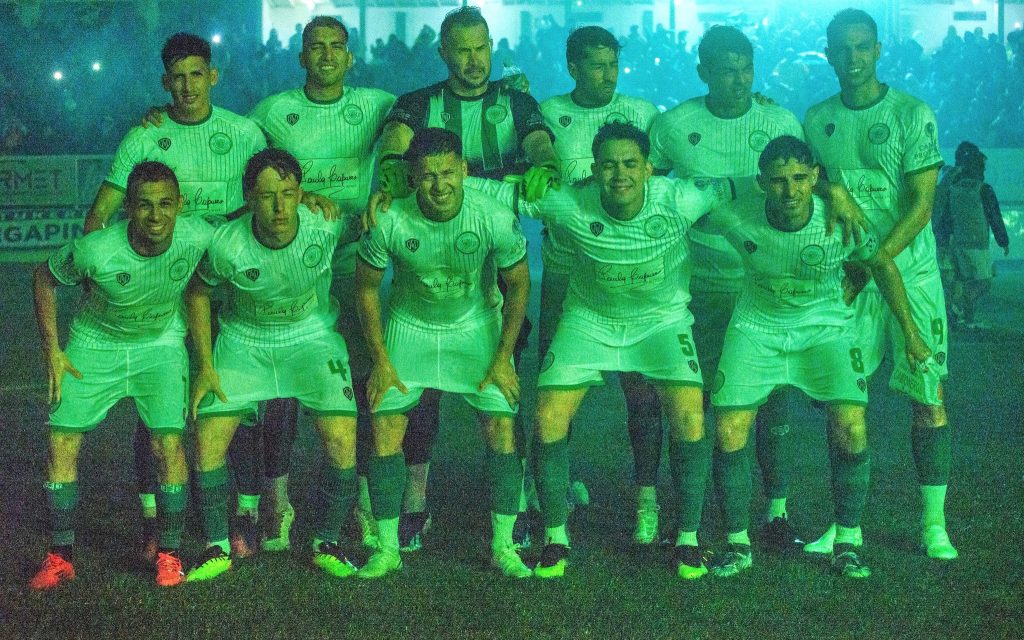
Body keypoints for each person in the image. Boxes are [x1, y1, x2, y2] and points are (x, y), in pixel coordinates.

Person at [469, 122, 744, 580]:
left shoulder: (681, 198)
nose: (620, 174)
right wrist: (424, 182)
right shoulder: (570, 201)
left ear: (649, 168)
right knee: (548, 418)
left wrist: (830, 192)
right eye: (609, 165)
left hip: (661, 324)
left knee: (691, 417)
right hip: (589, 321)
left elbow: (750, 184)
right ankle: (555, 539)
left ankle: (688, 539)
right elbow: (496, 192)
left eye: (631, 164)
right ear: (594, 170)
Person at [374, 6, 558, 551]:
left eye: (481, 48)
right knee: (421, 392)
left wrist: (545, 162)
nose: (474, 60)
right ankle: (415, 500)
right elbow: (395, 140)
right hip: (431, 256)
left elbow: (539, 141)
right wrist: (391, 167)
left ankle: (517, 496)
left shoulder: (515, 100)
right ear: (444, 53)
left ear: (491, 46)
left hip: (490, 258)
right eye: (462, 50)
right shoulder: (420, 102)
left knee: (505, 380)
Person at [708, 136, 931, 580]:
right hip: (756, 327)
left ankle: (847, 543)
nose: (789, 191)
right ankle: (737, 545)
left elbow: (882, 265)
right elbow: (673, 201)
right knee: (729, 428)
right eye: (778, 180)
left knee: (852, 426)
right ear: (761, 182)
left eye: (799, 178)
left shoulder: (841, 220)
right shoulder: (734, 213)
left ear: (814, 177)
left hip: (826, 326)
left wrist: (911, 333)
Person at [80, 32, 267, 559]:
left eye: (196, 74)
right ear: (165, 83)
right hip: (161, 299)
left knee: (234, 403)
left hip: (227, 295)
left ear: (213, 76)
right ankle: (153, 518)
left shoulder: (244, 133)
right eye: (177, 77)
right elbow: (100, 214)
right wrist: (97, 277)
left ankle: (244, 514)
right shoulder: (145, 136)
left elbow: (274, 192)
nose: (187, 86)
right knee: (156, 411)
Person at [803, 8, 957, 560]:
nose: (853, 57)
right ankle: (846, 524)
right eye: (842, 48)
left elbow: (922, 205)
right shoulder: (816, 119)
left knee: (928, 398)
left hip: (911, 278)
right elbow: (811, 186)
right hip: (849, 281)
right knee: (845, 402)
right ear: (828, 53)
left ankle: (934, 525)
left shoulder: (912, 113)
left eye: (862, 46)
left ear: (878, 50)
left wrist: (875, 262)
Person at [647, 25, 808, 551]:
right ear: (703, 72)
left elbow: (803, 191)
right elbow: (649, 192)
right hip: (696, 286)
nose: (739, 81)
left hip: (762, 285)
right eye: (727, 71)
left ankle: (777, 511)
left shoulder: (779, 122)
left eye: (746, 70)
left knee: (772, 399)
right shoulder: (674, 125)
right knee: (692, 403)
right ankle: (688, 516)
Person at [243, 15, 397, 552]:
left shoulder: (377, 104)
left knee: (364, 378)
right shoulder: (271, 112)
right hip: (293, 262)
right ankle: (276, 502)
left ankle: (363, 500)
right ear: (301, 56)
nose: (327, 55)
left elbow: (425, 122)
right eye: (316, 46)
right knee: (283, 383)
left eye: (337, 46)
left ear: (351, 57)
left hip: (353, 259)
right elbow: (241, 160)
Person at [354, 128, 532, 579]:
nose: (439, 184)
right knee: (386, 425)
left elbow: (518, 285)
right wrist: (381, 360)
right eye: (428, 175)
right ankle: (387, 548)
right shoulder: (389, 219)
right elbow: (366, 290)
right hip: (410, 326)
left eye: (448, 172)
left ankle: (504, 546)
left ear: (464, 170)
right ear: (412, 177)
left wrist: (503, 358)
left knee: (501, 426)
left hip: (476, 326)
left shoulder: (493, 217)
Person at [30, 162, 214, 590]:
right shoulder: (96, 250)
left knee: (168, 445)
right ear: (127, 207)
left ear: (180, 204)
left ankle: (169, 555)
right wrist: (53, 350)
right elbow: (43, 277)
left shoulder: (198, 234)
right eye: (145, 205)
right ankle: (60, 556)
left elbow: (250, 227)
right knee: (61, 441)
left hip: (160, 343)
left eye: (165, 204)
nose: (156, 215)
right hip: (95, 344)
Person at [184, 149, 359, 582]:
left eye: (288, 193)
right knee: (207, 441)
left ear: (301, 193)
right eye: (267, 196)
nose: (280, 207)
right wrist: (205, 366)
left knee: (342, 438)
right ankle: (216, 547)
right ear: (249, 198)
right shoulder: (227, 243)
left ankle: (327, 542)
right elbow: (197, 293)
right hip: (244, 341)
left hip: (310, 336)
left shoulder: (326, 224)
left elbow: (375, 221)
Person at [538, 26, 664, 545]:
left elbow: (665, 176)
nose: (608, 74)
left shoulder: (644, 113)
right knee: (556, 389)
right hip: (565, 270)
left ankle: (647, 499)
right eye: (596, 65)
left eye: (613, 63)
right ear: (572, 68)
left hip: (627, 274)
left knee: (641, 389)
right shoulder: (548, 114)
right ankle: (556, 485)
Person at [933, 141, 1010, 330]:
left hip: (949, 242)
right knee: (982, 282)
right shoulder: (982, 188)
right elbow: (994, 216)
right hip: (974, 244)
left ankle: (959, 315)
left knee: (958, 281)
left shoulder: (949, 183)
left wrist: (942, 239)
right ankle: (959, 310)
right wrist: (1003, 241)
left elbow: (941, 213)